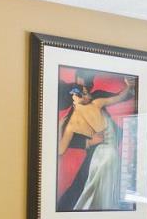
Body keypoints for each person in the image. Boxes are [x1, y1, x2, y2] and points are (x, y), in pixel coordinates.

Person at [57, 76, 136, 211]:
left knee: (98, 190)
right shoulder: (69, 123)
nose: (85, 91)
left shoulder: (97, 100)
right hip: (99, 156)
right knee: (87, 190)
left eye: (86, 89)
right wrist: (87, 142)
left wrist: (129, 87)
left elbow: (121, 97)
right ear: (74, 98)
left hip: (109, 154)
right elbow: (59, 149)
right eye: (81, 91)